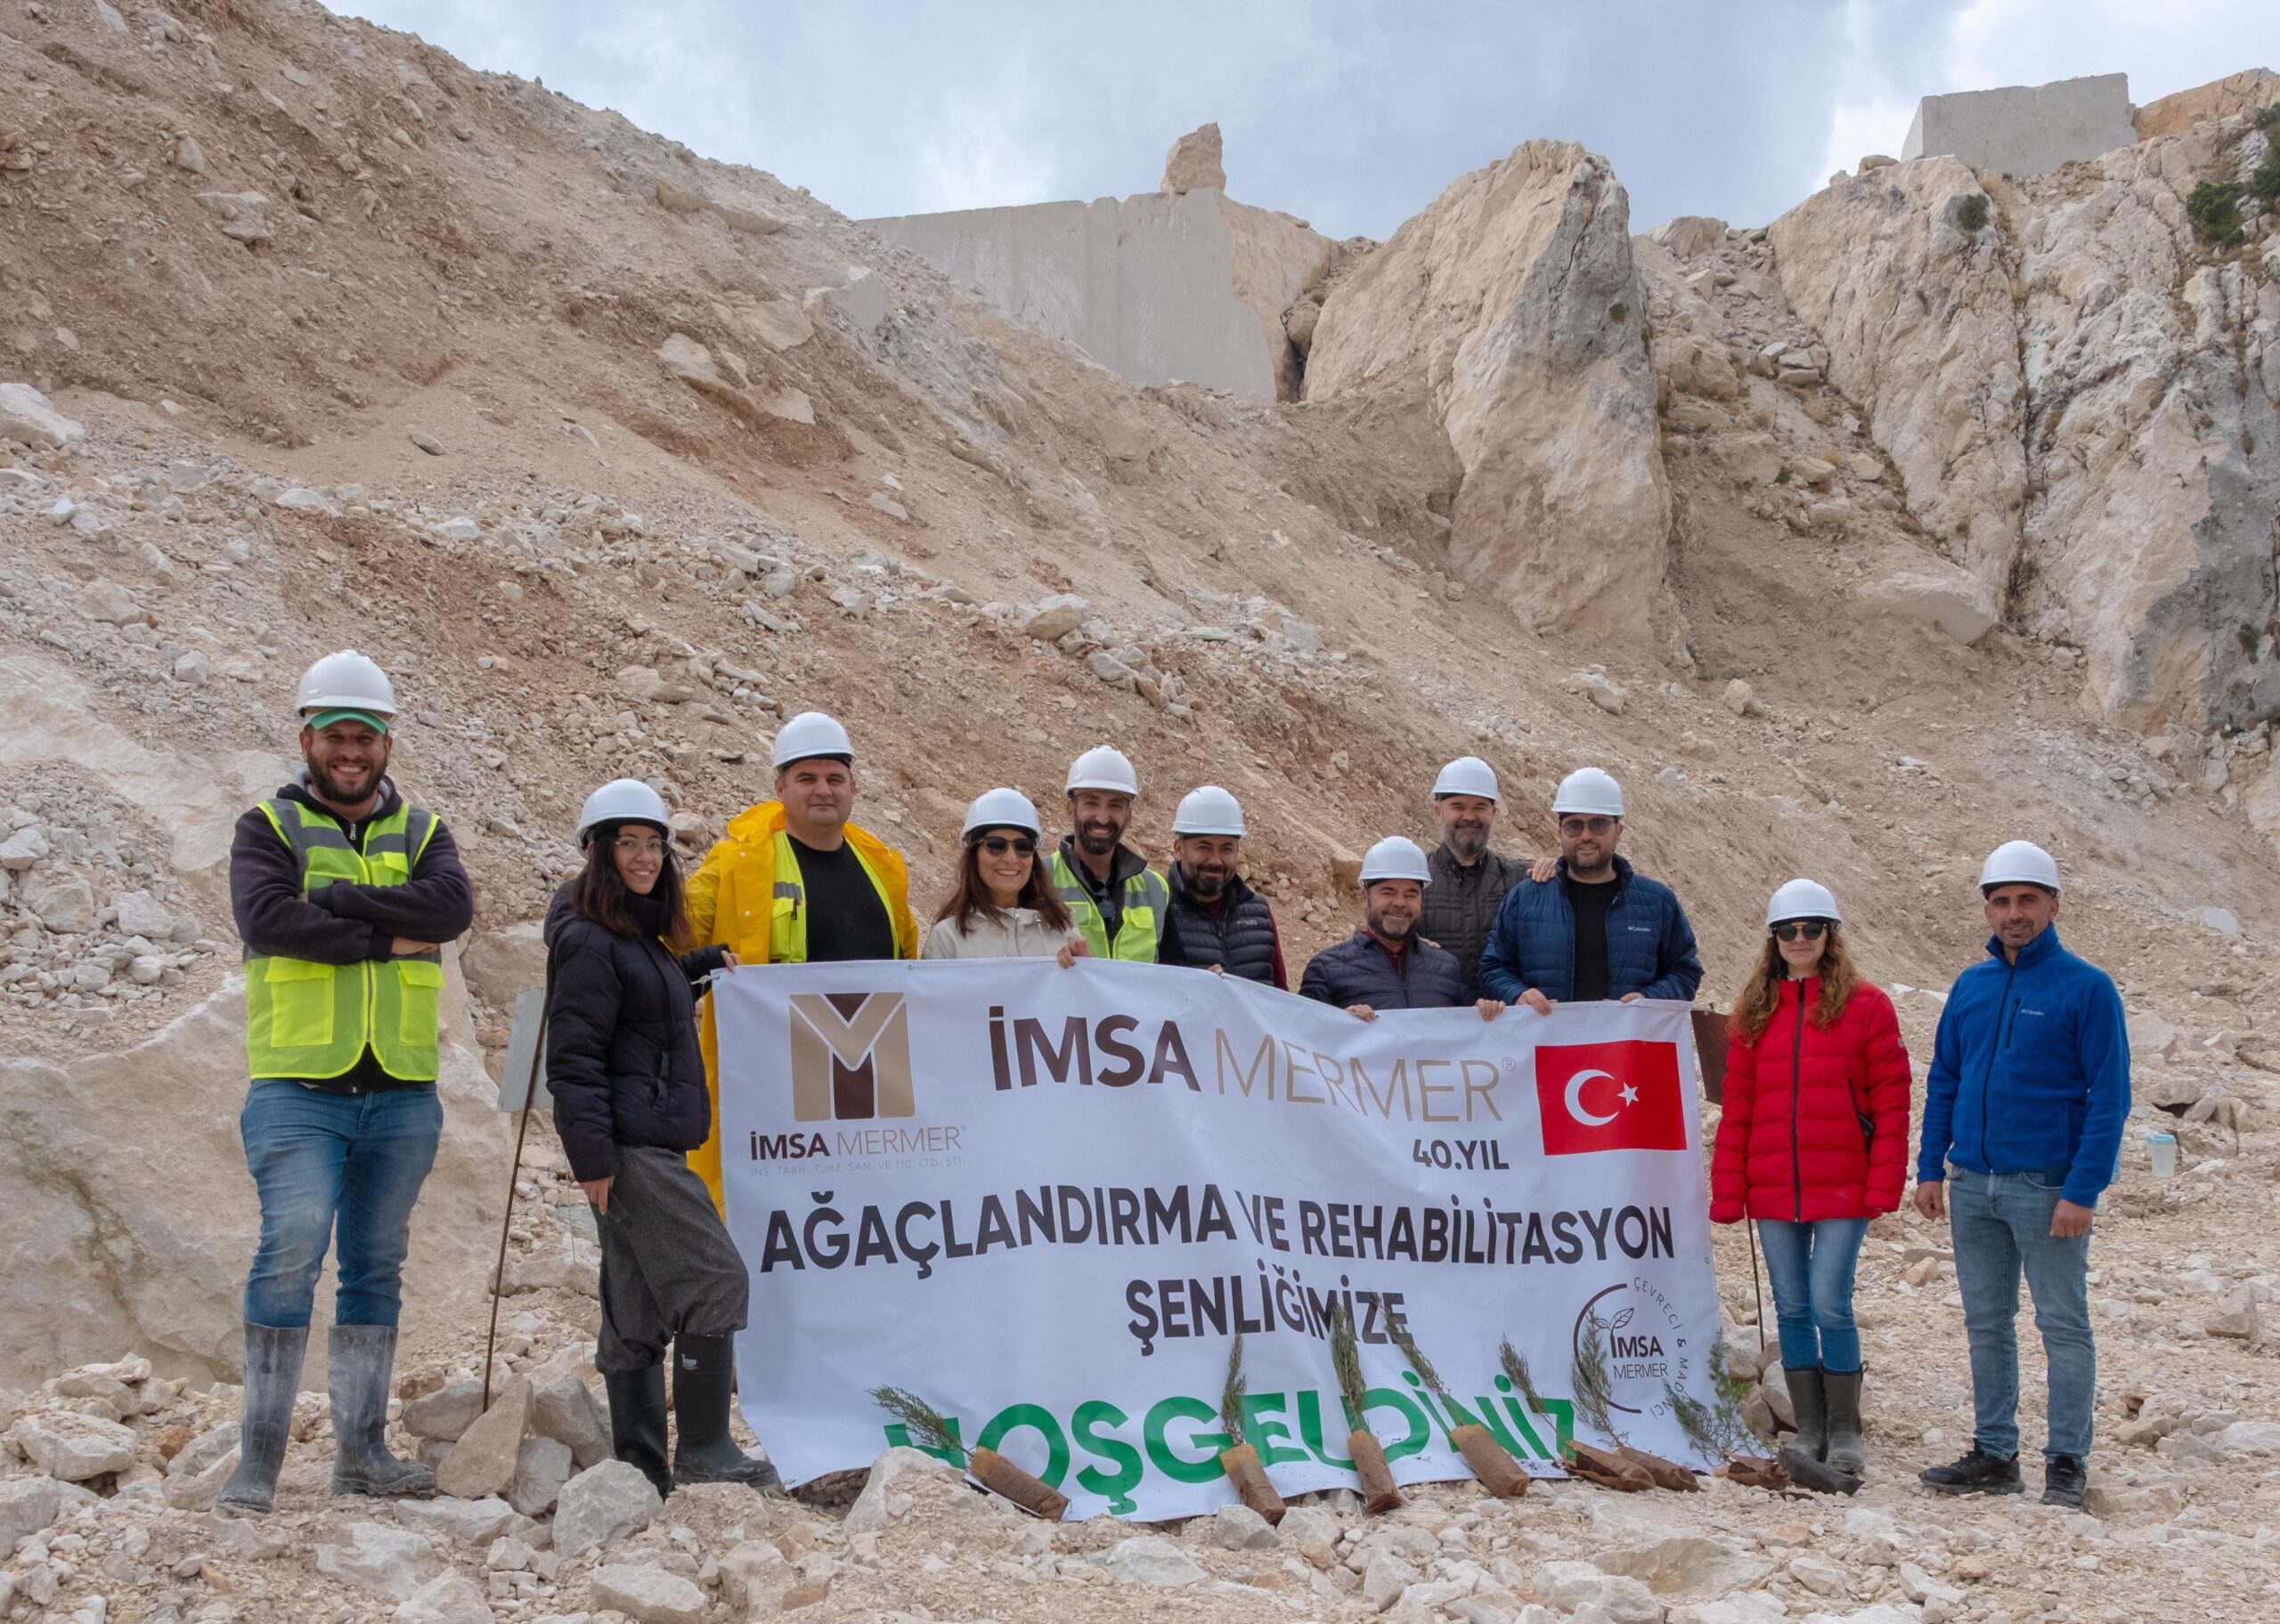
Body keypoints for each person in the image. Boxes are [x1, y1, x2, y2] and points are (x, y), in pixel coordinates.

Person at [219, 651, 475, 1515]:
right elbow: (266, 918)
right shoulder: (268, 827)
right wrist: (377, 934)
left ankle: (361, 1452)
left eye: (365, 735)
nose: (351, 750)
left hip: (401, 1091)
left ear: (387, 742)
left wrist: (332, 899)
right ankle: (258, 1460)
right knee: (290, 1250)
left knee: (375, 1266)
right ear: (308, 739)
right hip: (298, 1088)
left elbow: (448, 912)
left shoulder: (424, 831)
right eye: (336, 736)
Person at [545, 781, 775, 1497]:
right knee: (716, 1279)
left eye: (654, 844)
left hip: (642, 1142)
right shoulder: (587, 937)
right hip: (628, 1149)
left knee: (638, 1308)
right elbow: (574, 1057)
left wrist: (697, 968)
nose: (645, 857)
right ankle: (704, 1450)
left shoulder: (632, 936)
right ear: (596, 851)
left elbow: (638, 1000)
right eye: (629, 843)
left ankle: (642, 1469)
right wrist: (591, 1158)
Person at [1914, 841, 2129, 1509]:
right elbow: (1946, 1076)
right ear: (1987, 908)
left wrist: (2082, 1190)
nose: (2014, 913)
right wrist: (1929, 1168)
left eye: (2027, 900)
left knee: (2062, 1324)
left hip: (2046, 1188)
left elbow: (2109, 1095)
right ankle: (1994, 1453)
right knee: (1986, 1321)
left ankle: (2066, 1460)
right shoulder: (1970, 986)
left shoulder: (2085, 987)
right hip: (1973, 1181)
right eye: (2002, 901)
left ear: (2053, 905)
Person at [1708, 879, 1910, 1476]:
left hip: (1842, 1183)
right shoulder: (1755, 1011)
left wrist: (1883, 1185)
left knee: (1830, 1302)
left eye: (1811, 929)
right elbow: (1738, 1106)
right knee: (1792, 1307)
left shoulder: (1869, 1006)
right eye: (1788, 931)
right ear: (1774, 940)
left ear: (1830, 935)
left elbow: (1892, 1101)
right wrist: (1729, 1189)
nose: (1800, 939)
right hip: (1774, 1185)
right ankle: (1810, 1427)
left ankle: (1846, 1431)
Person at [684, 710, 917, 1206]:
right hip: (775, 1086)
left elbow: (914, 966)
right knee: (784, 1209)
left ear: (853, 787)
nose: (823, 790)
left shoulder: (883, 867)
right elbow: (672, 941)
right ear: (779, 787)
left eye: (835, 778)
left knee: (869, 1207)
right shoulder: (736, 864)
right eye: (806, 778)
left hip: (871, 1085)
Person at [1479, 767, 1702, 1011]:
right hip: (1549, 1043)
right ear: (1560, 832)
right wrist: (1517, 994)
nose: (1586, 836)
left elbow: (1685, 970)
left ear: (1619, 831)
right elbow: (1493, 968)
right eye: (1574, 825)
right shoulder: (1525, 899)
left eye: (1598, 824)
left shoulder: (1657, 902)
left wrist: (1649, 999)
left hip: (1625, 1045)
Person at [1301, 837, 1507, 1020]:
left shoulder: (1446, 968)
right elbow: (1300, 1038)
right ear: (1365, 898)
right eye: (1388, 892)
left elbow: (1469, 1036)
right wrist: (1340, 1022)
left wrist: (1485, 1012)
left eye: (1411, 894)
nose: (1400, 902)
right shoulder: (1327, 969)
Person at [924, 789, 1088, 962]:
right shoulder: (947, 940)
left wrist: (1084, 969)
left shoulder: (1063, 932)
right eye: (996, 845)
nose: (1011, 858)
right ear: (974, 854)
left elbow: (1080, 990)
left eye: (1023, 847)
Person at [1045, 745, 1169, 962]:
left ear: (1128, 816)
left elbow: (1172, 971)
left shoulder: (1156, 889)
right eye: (1091, 803)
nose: (1102, 818)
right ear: (1070, 809)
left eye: (1115, 805)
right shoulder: (1038, 878)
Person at [1420, 757, 1529, 1002]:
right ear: (1438, 813)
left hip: (1508, 1026)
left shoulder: (1521, 879)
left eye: (1479, 807)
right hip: (1435, 1026)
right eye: (1458, 806)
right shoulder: (1413, 879)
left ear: (1493, 813)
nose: (1469, 816)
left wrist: (1556, 868)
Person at [1156, 786, 1287, 987]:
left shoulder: (1259, 913)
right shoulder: (1157, 909)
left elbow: (1280, 997)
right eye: (1204, 847)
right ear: (1179, 850)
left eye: (1226, 848)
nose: (1216, 861)